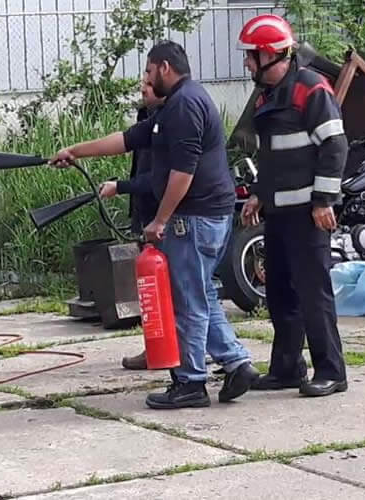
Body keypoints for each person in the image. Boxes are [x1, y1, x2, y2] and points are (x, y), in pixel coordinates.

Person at [51, 41, 257, 410]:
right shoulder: (173, 106)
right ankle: (235, 362)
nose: (145, 79)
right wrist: (74, 150)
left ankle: (191, 383)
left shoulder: (184, 105)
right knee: (203, 294)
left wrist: (160, 221)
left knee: (187, 302)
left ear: (163, 68)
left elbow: (183, 173)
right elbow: (128, 140)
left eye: (147, 71)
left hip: (193, 219)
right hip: (204, 217)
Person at [236, 14, 349, 397]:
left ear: (270, 55)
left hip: (308, 215)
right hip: (279, 214)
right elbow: (273, 156)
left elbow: (335, 147)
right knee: (281, 291)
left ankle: (331, 371)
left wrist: (323, 201)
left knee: (312, 292)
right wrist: (258, 193)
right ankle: (287, 368)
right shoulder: (269, 95)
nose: (248, 63)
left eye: (252, 56)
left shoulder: (311, 89)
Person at [111, 75, 164, 371]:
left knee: (169, 288)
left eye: (149, 81)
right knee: (149, 286)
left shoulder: (170, 119)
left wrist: (120, 186)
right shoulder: (148, 116)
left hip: (161, 214)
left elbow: (159, 177)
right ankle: (156, 345)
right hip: (145, 209)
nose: (142, 87)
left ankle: (168, 348)